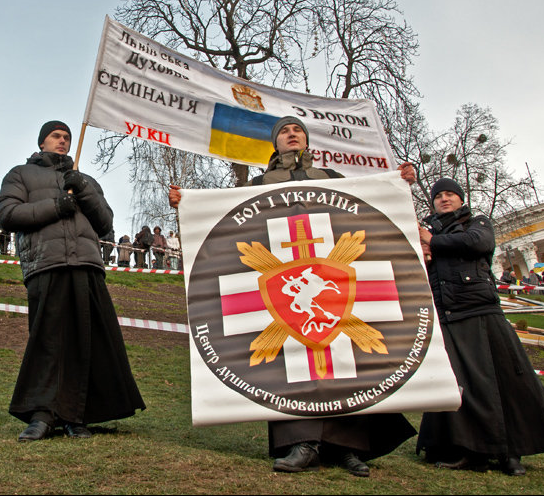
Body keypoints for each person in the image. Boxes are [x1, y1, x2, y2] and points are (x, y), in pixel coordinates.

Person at [169, 115, 418, 477]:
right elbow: (227, 223)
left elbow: (366, 210)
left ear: (306, 140)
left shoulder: (332, 179)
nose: (292, 134)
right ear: (275, 143)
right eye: (284, 131)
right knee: (291, 367)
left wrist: (398, 184)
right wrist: (187, 204)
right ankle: (301, 444)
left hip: (332, 278)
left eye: (297, 130)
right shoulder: (258, 184)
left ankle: (347, 447)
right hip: (284, 289)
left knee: (344, 362)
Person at [0, 120, 145, 442]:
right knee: (48, 341)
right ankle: (42, 414)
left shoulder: (84, 180)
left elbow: (105, 223)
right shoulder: (20, 174)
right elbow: (8, 215)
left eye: (66, 137)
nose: (62, 141)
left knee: (88, 341)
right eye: (56, 136)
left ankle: (78, 416)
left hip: (87, 264)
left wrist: (84, 189)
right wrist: (55, 205)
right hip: (46, 264)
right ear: (42, 142)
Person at [416, 178, 544, 476]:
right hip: (449, 314)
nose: (444, 199)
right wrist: (425, 251)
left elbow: (479, 243)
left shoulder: (478, 222)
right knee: (463, 387)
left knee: (505, 382)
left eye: (450, 194)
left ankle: (511, 453)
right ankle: (470, 450)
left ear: (460, 200)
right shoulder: (427, 233)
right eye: (439, 196)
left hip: (481, 310)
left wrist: (432, 241)